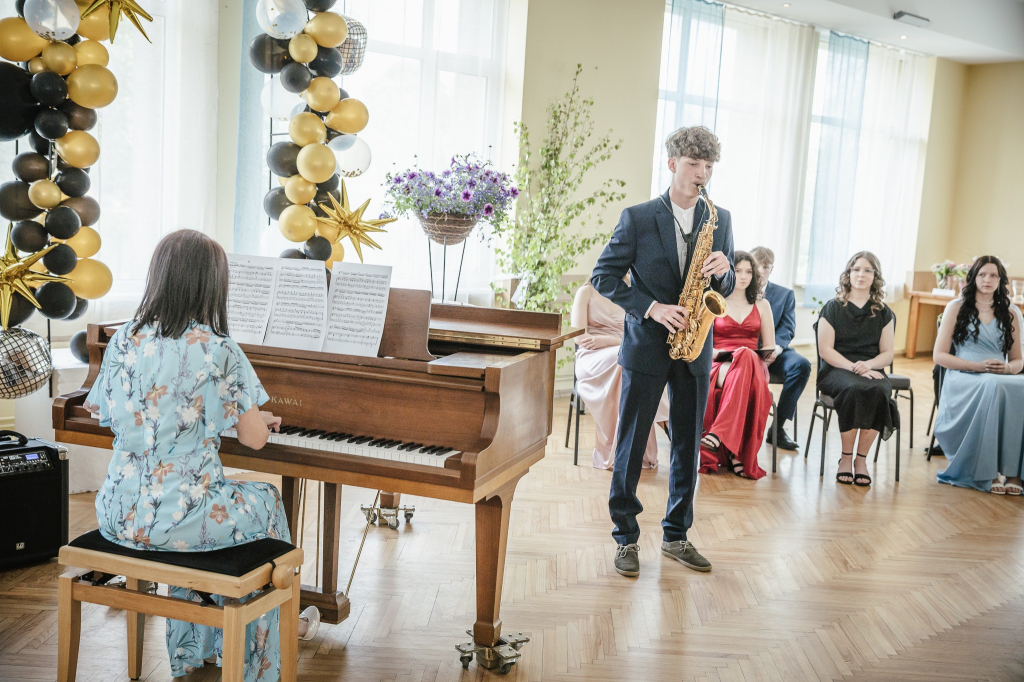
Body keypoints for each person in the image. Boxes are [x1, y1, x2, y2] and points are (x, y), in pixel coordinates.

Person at [83, 230, 318, 681]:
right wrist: (247, 416)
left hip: (117, 512)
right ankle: (268, 645)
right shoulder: (219, 348)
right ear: (212, 284)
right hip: (180, 520)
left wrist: (201, 416)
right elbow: (255, 440)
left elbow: (111, 412)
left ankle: (195, 648)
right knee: (267, 500)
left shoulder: (123, 338)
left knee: (207, 510)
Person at [591, 125, 734, 577]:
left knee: (688, 446)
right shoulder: (637, 218)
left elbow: (727, 284)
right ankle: (625, 538)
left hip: (695, 347)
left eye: (708, 165)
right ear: (672, 164)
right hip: (648, 345)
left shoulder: (720, 219)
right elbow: (603, 276)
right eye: (693, 164)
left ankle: (676, 535)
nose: (702, 173)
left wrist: (726, 270)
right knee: (631, 444)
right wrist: (652, 308)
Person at [933, 256, 1024, 495]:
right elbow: (939, 356)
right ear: (973, 277)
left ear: (1001, 280)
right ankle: (987, 472)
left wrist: (1008, 368)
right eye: (982, 274)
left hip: (999, 374)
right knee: (992, 385)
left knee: (1020, 386)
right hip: (964, 374)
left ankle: (1014, 473)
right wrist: (976, 366)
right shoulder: (956, 307)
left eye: (994, 275)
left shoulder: (1012, 312)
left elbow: (1018, 360)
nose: (987, 280)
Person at [816, 251, 899, 486]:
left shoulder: (884, 312)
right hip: (836, 368)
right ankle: (845, 457)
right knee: (854, 389)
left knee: (879, 390)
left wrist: (868, 365)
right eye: (856, 269)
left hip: (871, 368)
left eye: (867, 270)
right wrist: (855, 368)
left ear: (875, 277)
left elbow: (887, 353)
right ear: (848, 274)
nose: (861, 275)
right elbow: (825, 350)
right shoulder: (832, 308)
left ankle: (861, 460)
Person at [571, 278, 669, 469]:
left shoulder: (632, 293)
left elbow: (638, 336)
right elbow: (579, 336)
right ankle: (667, 422)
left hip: (620, 350)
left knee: (631, 361)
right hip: (591, 356)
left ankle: (633, 445)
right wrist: (606, 342)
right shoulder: (586, 292)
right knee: (628, 361)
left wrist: (608, 340)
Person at [699, 251, 774, 480]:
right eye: (738, 271)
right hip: (720, 362)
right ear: (728, 273)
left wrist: (762, 355)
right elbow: (704, 346)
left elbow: (770, 346)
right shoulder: (714, 301)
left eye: (748, 272)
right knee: (743, 357)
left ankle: (718, 434)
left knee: (747, 355)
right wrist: (728, 353)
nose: (743, 276)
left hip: (754, 365)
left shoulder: (762, 305)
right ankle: (736, 454)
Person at [750, 246, 811, 451]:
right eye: (756, 266)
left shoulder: (785, 295)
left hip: (775, 353)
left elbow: (787, 328)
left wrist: (774, 350)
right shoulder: (737, 291)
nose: (760, 271)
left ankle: (778, 428)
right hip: (745, 353)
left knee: (801, 365)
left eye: (765, 267)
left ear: (772, 269)